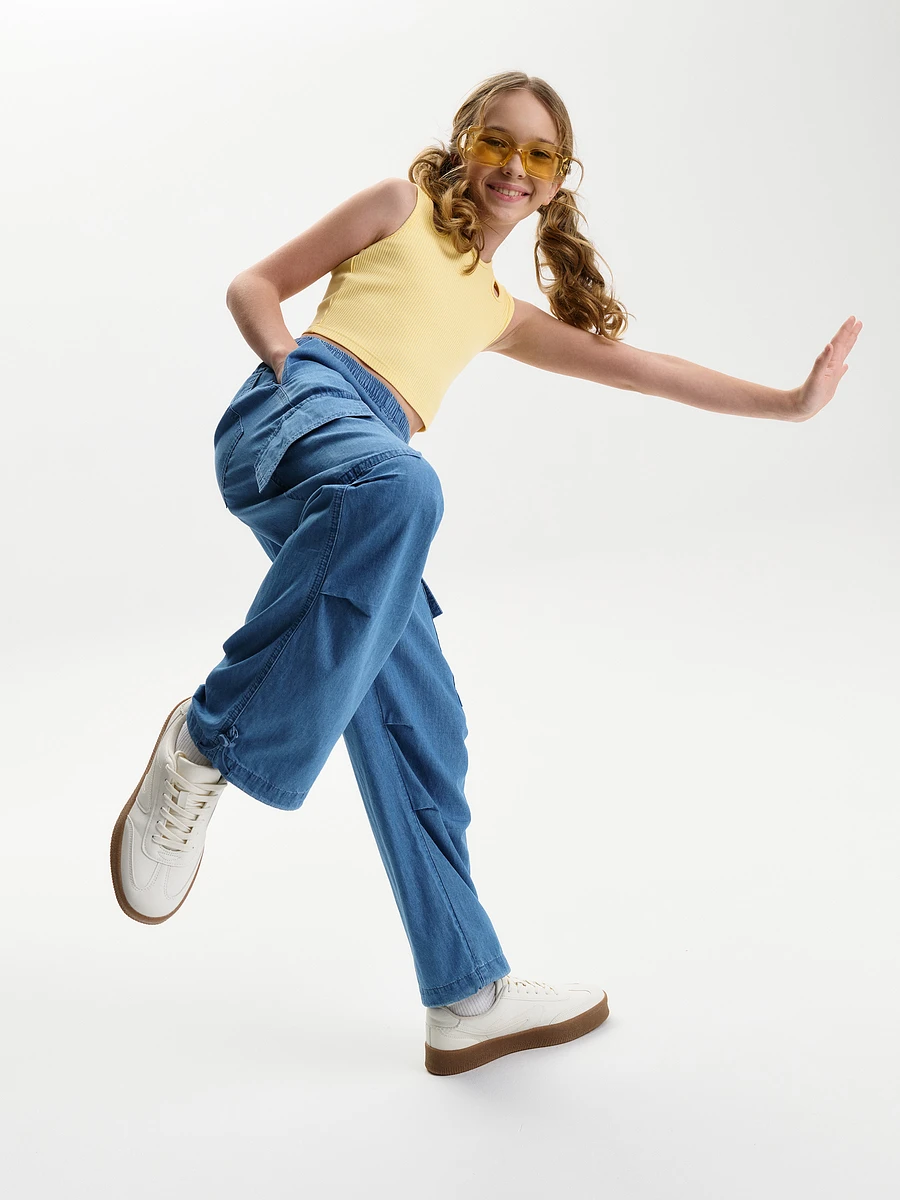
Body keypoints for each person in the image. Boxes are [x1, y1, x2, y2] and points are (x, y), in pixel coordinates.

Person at [109, 70, 861, 1076]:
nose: (515, 165)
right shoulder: (398, 207)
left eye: (540, 154)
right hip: (303, 413)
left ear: (558, 180)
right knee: (407, 488)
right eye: (498, 141)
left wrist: (790, 404)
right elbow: (254, 284)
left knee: (424, 724)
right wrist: (286, 357)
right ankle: (208, 741)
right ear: (464, 143)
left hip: (365, 483)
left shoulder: (501, 311)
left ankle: (464, 994)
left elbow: (647, 371)